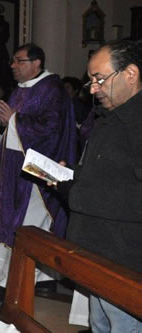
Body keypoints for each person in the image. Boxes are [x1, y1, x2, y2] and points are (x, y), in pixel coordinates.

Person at [63, 39, 142, 332]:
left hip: (127, 259)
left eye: (99, 79)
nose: (93, 88)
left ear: (130, 74)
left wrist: (77, 194)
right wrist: (71, 175)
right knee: (100, 324)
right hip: (100, 253)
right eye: (91, 80)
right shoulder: (113, 116)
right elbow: (111, 171)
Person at [0, 43, 76, 301]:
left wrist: (14, 121)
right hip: (15, 169)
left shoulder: (53, 90)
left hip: (37, 173)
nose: (13, 65)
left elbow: (51, 128)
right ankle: (41, 278)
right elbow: (10, 122)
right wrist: (6, 124)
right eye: (13, 61)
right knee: (19, 221)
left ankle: (15, 282)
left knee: (29, 224)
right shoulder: (21, 90)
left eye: (19, 60)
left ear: (36, 63)